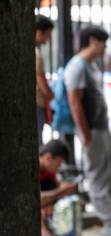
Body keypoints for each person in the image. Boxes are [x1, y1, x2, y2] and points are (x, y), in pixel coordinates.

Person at [65, 26, 111, 236]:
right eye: (103, 42)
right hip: (93, 131)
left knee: (106, 175)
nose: (105, 47)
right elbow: (75, 102)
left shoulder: (89, 66)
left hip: (100, 129)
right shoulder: (77, 67)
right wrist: (85, 134)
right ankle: (109, 222)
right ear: (92, 41)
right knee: (98, 176)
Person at [39, 140, 77, 236]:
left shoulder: (49, 173)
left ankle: (54, 233)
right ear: (48, 158)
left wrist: (62, 190)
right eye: (58, 163)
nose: (58, 167)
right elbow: (36, 199)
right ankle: (45, 235)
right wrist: (60, 191)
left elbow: (55, 189)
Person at [35, 15, 54, 146]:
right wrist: (51, 95)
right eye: (47, 35)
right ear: (39, 32)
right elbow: (42, 84)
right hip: (37, 106)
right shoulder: (36, 54)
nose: (47, 40)